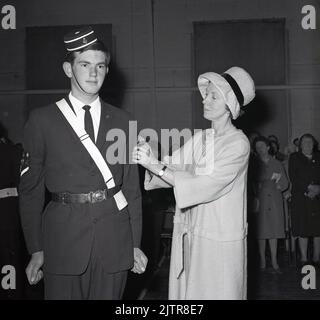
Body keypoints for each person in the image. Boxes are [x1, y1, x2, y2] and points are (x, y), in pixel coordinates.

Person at [19, 26, 147, 300]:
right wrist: (36, 248)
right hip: (62, 243)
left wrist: (134, 244)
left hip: (114, 241)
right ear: (68, 69)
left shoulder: (124, 122)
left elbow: (132, 190)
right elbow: (30, 192)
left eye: (100, 66)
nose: (93, 73)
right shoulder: (42, 120)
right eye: (85, 64)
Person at [133, 66, 255, 299]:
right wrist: (151, 156)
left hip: (219, 241)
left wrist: (155, 165)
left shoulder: (238, 144)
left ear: (230, 106)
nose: (205, 101)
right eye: (205, 95)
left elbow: (205, 184)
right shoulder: (202, 139)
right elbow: (173, 166)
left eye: (213, 96)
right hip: (191, 234)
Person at [252, 136, 288, 272]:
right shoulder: (253, 164)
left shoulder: (277, 163)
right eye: (257, 147)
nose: (260, 149)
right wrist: (265, 181)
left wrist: (279, 185)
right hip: (260, 199)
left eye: (262, 146)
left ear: (268, 147)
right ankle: (262, 259)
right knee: (261, 231)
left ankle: (274, 260)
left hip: (274, 200)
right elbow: (251, 181)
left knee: (273, 231)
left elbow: (285, 183)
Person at [289, 133, 320, 265]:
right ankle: (303, 258)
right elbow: (293, 177)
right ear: (300, 145)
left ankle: (317, 257)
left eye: (310, 142)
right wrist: (308, 188)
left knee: (317, 229)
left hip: (318, 198)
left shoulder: (319, 156)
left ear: (314, 144)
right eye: (305, 142)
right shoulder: (294, 157)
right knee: (303, 229)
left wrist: (318, 189)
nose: (308, 144)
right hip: (301, 198)